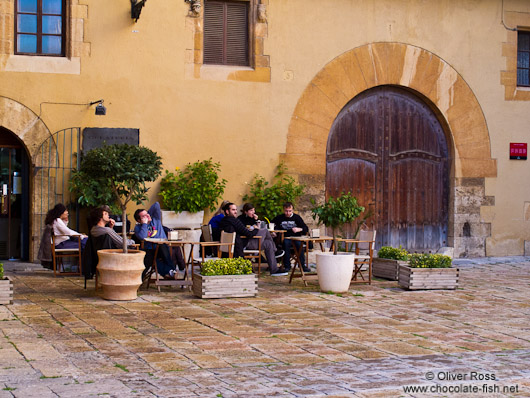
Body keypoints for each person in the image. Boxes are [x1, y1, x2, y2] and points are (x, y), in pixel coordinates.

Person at [220, 202, 287, 276]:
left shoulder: (225, 221)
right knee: (264, 231)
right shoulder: (233, 220)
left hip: (240, 243)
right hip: (244, 244)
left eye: (236, 209)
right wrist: (255, 229)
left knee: (268, 243)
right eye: (233, 210)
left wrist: (253, 226)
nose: (235, 211)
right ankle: (275, 252)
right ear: (227, 211)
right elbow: (249, 234)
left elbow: (244, 231)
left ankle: (274, 270)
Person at [134, 202, 185, 279]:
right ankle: (171, 271)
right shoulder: (138, 227)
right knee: (153, 260)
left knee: (161, 246)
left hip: (163, 248)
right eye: (143, 216)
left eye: (147, 214)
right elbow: (142, 237)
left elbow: (156, 204)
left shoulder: (156, 219)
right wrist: (144, 223)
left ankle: (170, 272)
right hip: (150, 250)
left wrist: (148, 215)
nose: (147, 216)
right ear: (138, 220)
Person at [272, 202, 309, 273]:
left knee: (299, 244)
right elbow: (271, 224)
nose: (288, 213)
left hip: (296, 238)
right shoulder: (279, 218)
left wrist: (299, 229)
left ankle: (302, 265)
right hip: (285, 238)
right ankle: (287, 266)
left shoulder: (297, 218)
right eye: (286, 211)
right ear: (283, 210)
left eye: (290, 211)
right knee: (286, 244)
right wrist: (274, 231)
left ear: (293, 210)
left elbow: (306, 228)